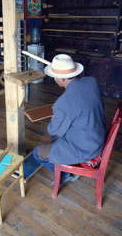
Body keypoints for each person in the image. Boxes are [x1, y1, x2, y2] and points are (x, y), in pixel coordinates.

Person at [33, 54, 106, 185]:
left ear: (61, 79)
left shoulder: (62, 104)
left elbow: (53, 130)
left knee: (37, 153)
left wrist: (55, 119)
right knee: (57, 136)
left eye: (54, 76)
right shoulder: (92, 82)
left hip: (87, 148)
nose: (54, 78)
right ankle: (63, 159)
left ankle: (65, 174)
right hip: (97, 137)